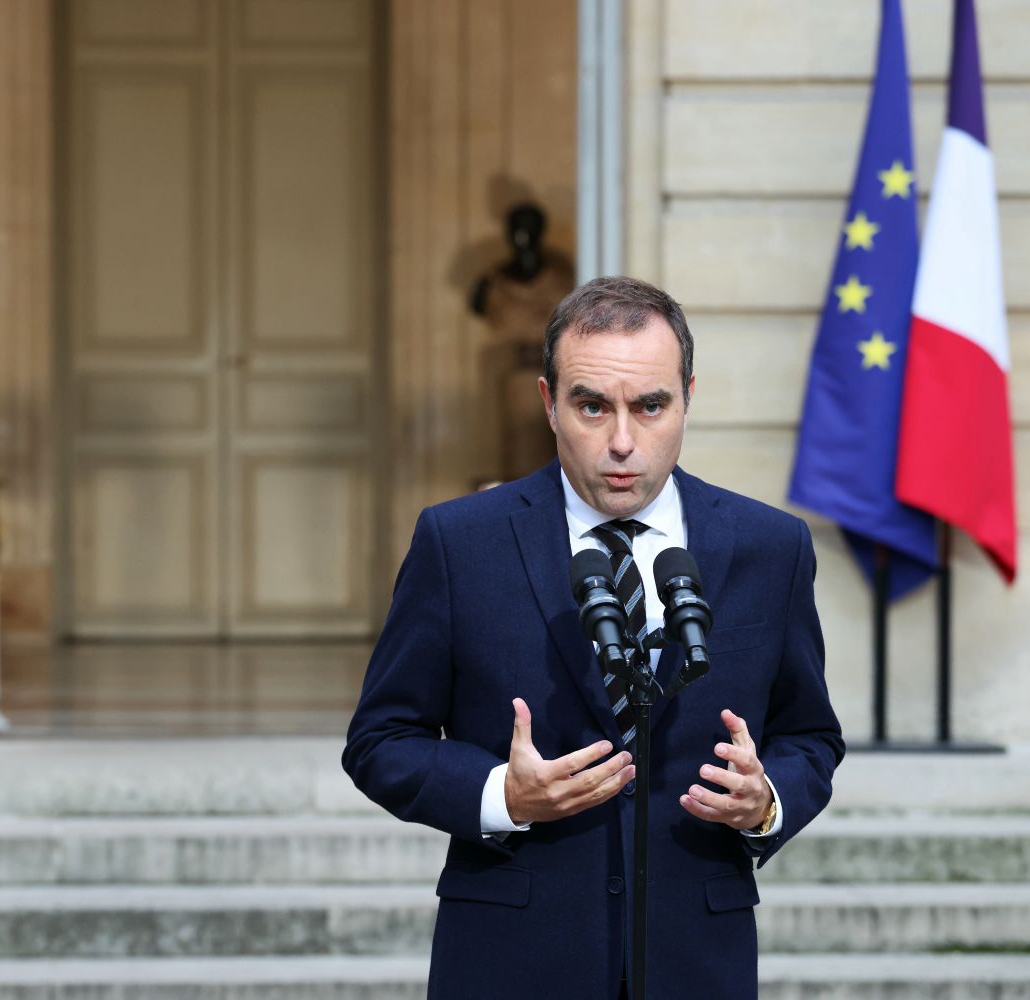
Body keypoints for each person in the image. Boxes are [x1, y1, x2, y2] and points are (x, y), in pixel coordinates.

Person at [343, 276, 843, 999]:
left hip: (697, 962)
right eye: (592, 406)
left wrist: (765, 800)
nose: (622, 442)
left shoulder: (773, 546)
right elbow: (380, 740)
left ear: (688, 397)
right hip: (511, 961)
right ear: (549, 402)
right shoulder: (459, 543)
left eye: (650, 406)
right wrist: (503, 795)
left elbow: (811, 736)